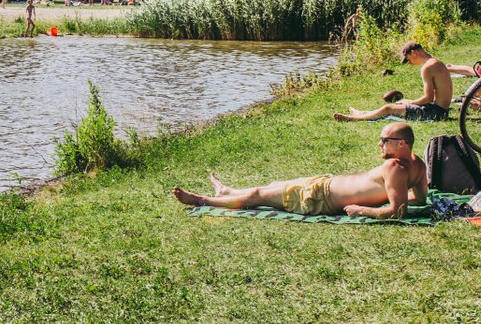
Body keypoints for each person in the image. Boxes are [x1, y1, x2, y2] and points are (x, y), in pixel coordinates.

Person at [173, 123, 428, 218]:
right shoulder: (417, 164)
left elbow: (398, 212)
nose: (379, 143)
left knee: (258, 196)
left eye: (385, 140)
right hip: (323, 185)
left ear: (402, 144)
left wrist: (363, 209)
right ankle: (228, 190)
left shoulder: (394, 168)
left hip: (320, 198)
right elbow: (420, 199)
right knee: (275, 184)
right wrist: (389, 195)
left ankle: (202, 200)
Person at [334, 42, 452, 122]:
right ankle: (363, 113)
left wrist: (410, 102)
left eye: (408, 59)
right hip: (442, 110)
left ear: (414, 53)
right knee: (400, 104)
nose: (409, 62)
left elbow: (428, 98)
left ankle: (353, 119)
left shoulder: (427, 68)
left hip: (435, 114)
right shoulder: (437, 62)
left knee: (389, 109)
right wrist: (409, 102)